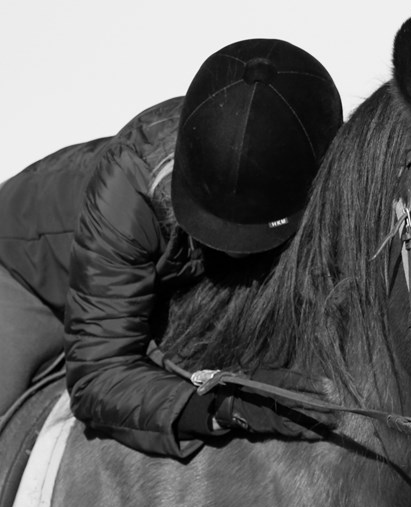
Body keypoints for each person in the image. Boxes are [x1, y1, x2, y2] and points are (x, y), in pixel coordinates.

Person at [0, 38, 343, 459]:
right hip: (25, 273)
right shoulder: (131, 192)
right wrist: (224, 407)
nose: (237, 250)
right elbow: (98, 375)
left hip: (148, 272)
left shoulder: (306, 158)